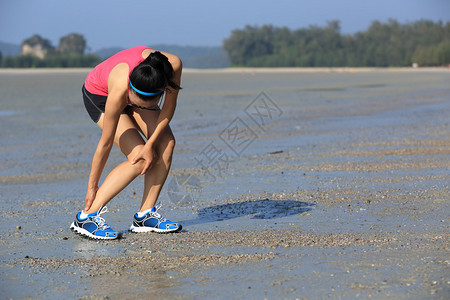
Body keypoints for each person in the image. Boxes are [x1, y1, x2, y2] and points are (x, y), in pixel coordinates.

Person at [70, 46, 182, 240]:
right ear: (130, 91)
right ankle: (87, 217)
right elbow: (104, 145)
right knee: (139, 158)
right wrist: (91, 187)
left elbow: (168, 108)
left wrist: (151, 144)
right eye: (134, 103)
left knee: (166, 143)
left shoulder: (171, 67)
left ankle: (145, 216)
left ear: (162, 91)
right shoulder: (120, 89)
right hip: (101, 96)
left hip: (140, 89)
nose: (135, 108)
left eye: (141, 107)